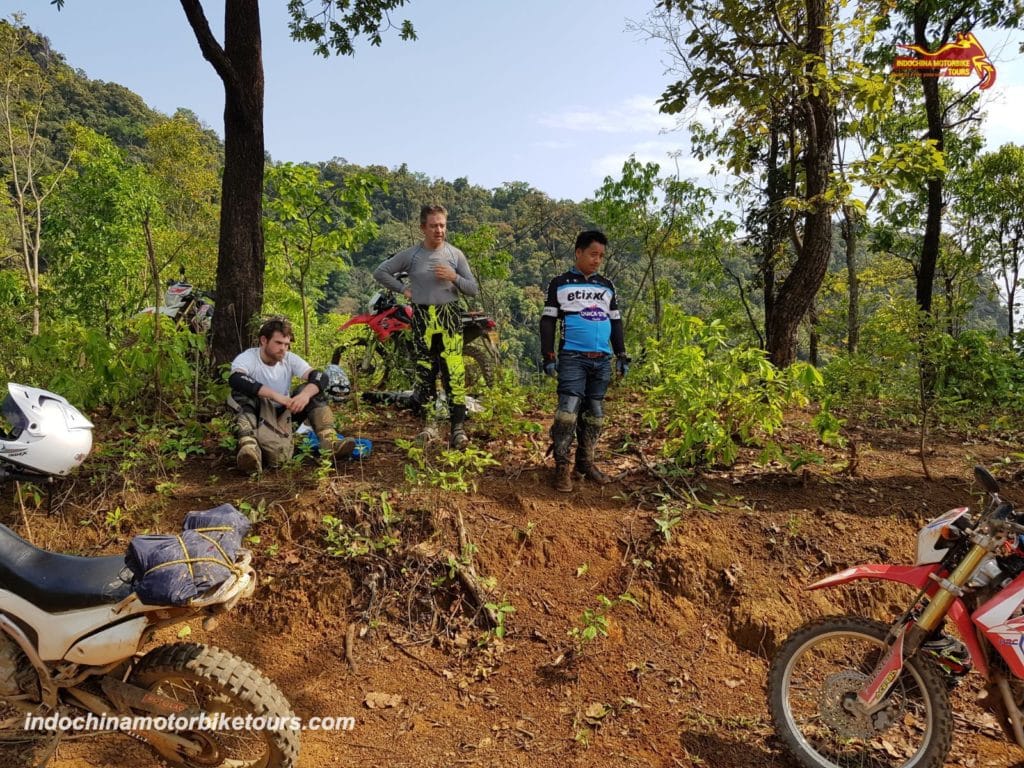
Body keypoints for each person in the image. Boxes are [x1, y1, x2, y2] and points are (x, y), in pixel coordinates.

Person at [372, 204, 480, 448]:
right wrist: (403, 289)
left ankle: (458, 429)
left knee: (454, 371)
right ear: (423, 227)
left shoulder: (455, 255)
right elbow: (381, 272)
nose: (439, 230)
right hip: (422, 317)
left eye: (442, 225)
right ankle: (429, 426)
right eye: (433, 226)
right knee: (425, 372)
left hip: (449, 316)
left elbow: (472, 289)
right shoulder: (412, 255)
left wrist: (454, 277)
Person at [539, 230, 630, 492]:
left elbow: (615, 321)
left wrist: (621, 354)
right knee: (567, 411)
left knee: (595, 414)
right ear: (578, 252)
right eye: (593, 254)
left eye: (601, 256)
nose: (597, 260)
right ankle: (561, 467)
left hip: (601, 359)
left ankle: (585, 462)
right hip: (572, 357)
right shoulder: (560, 283)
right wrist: (548, 354)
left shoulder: (606, 286)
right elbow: (548, 321)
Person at [228, 317, 355, 473]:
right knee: (240, 393)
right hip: (259, 411)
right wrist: (275, 396)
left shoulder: (288, 358)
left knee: (310, 389)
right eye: (278, 343)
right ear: (263, 340)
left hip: (285, 412)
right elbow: (236, 379)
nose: (283, 349)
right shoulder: (249, 358)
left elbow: (320, 377)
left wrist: (305, 396)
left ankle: (329, 441)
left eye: (287, 344)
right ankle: (248, 446)